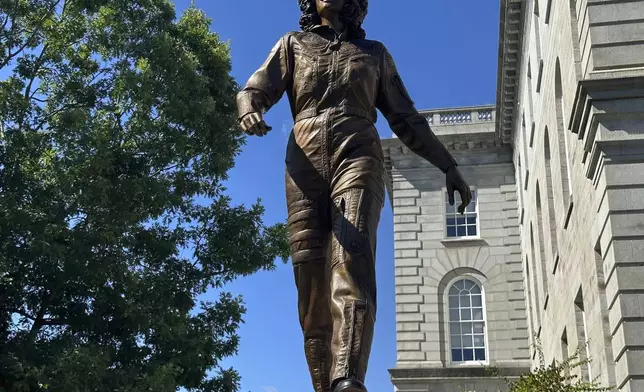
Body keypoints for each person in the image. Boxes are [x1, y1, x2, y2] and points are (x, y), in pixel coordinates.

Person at [236, 0, 472, 391]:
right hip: (304, 165)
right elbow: (255, 87)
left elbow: (406, 117)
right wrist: (249, 107)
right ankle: (324, 385)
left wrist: (447, 164)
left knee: (351, 260)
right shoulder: (292, 45)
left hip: (357, 154)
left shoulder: (374, 54)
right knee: (310, 284)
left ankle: (348, 377)